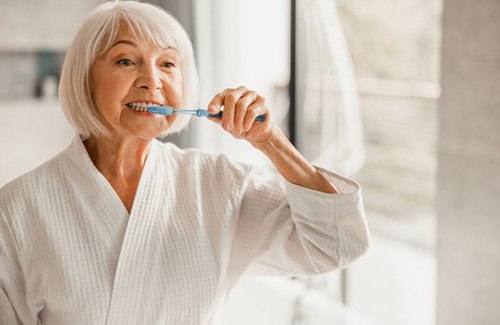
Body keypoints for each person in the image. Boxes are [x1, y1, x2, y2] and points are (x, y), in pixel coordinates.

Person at [0, 1, 370, 324]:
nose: (152, 80)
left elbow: (337, 243)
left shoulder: (219, 184)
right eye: (126, 60)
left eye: (167, 63)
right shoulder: (17, 209)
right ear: (84, 79)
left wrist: (270, 141)